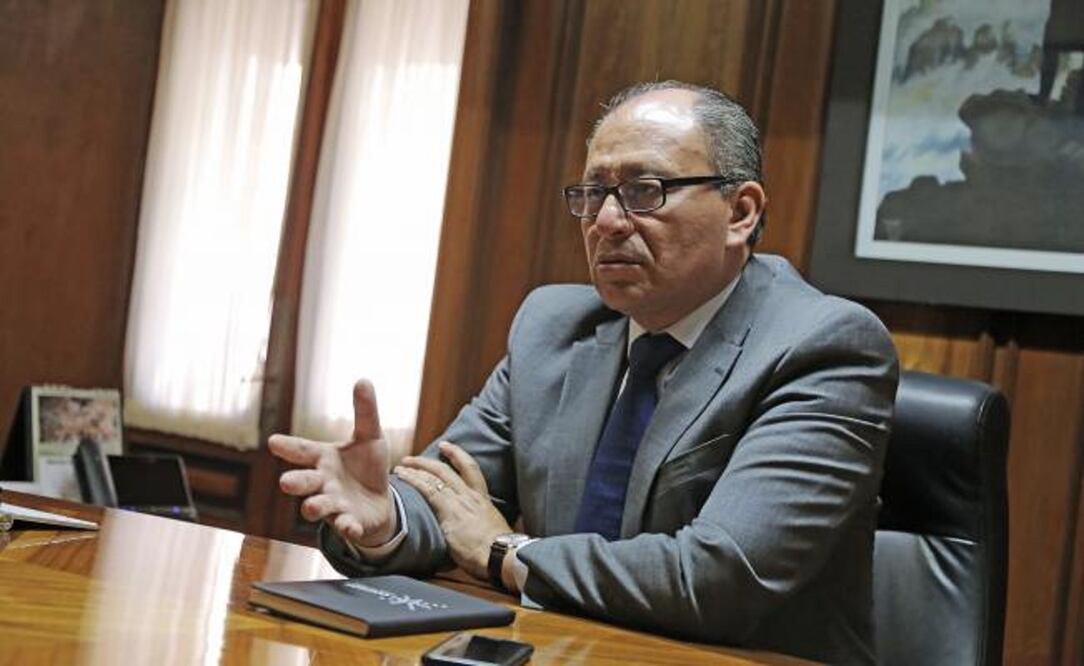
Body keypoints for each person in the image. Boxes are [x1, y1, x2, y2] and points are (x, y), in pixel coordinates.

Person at [269, 81, 898, 665]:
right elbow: (454, 498)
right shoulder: (553, 327)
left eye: (645, 191)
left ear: (741, 211)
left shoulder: (822, 346)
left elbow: (718, 576)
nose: (606, 222)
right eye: (594, 193)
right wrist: (388, 520)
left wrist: (507, 554)